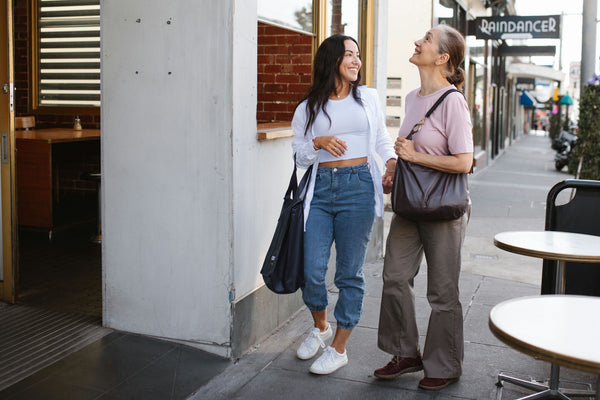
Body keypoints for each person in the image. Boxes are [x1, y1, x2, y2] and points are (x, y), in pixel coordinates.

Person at [374, 24, 473, 391]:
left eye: (427, 39)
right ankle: (406, 353)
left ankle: (444, 364)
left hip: (444, 209)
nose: (418, 41)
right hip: (410, 203)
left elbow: (464, 162)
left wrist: (415, 156)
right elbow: (410, 147)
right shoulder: (414, 97)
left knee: (442, 292)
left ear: (443, 58)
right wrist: (395, 166)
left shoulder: (454, 102)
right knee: (395, 277)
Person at [291, 34, 396, 375]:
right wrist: (316, 142)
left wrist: (391, 161)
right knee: (311, 269)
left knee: (349, 273)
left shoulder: (367, 98)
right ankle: (321, 327)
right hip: (320, 190)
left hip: (358, 187)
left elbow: (381, 138)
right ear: (331, 60)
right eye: (349, 54)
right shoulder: (308, 107)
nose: (356, 60)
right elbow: (299, 155)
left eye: (359, 55)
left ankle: (339, 348)